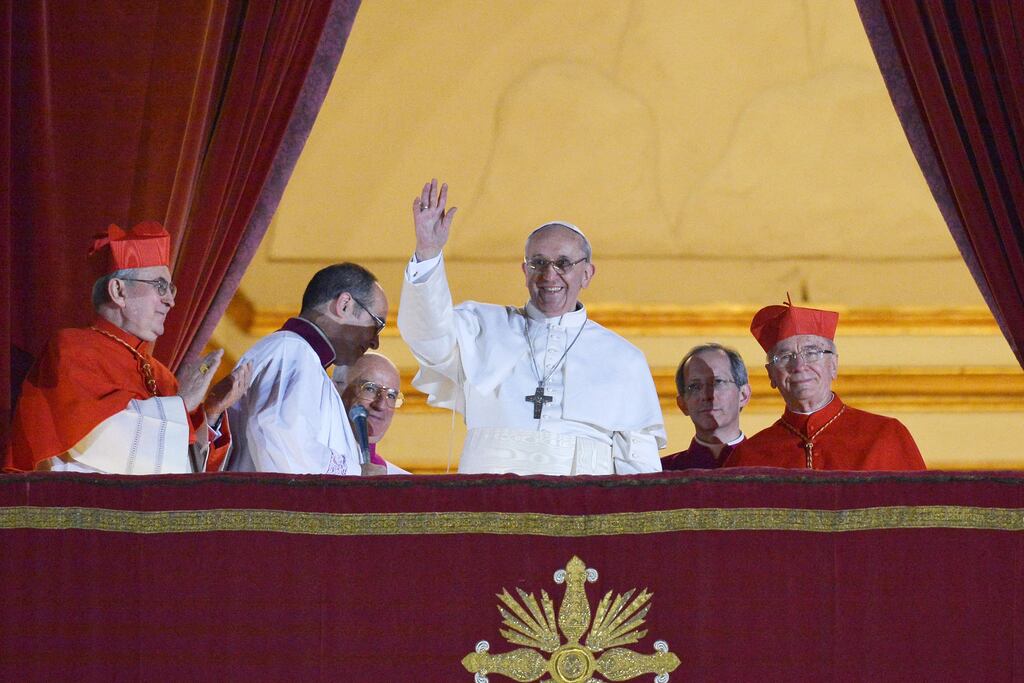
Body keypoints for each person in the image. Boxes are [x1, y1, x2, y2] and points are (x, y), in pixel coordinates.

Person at [397, 179, 666, 475]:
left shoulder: (624, 358)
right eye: (538, 263)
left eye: (563, 263)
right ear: (525, 271)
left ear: (587, 274)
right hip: (489, 504)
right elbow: (428, 337)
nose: (549, 275)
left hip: (583, 511)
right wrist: (427, 253)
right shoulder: (481, 328)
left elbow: (639, 465)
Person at [4, 221, 250, 474]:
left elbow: (183, 473)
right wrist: (182, 403)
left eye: (171, 288)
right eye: (160, 286)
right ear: (119, 291)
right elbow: (96, 442)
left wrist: (209, 412)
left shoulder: (162, 375)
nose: (171, 300)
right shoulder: (72, 350)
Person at [724, 297, 926, 470]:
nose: (799, 365)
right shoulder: (747, 458)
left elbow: (923, 512)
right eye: (785, 356)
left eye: (812, 353)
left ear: (834, 365)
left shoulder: (886, 436)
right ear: (772, 375)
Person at [227, 262, 389, 475]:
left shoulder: (306, 359)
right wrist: (356, 473)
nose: (375, 342)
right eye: (377, 325)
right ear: (345, 305)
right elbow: (280, 439)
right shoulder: (290, 350)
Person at [662, 344, 750, 470]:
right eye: (695, 386)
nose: (707, 395)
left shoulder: (773, 468)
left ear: (743, 395)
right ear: (682, 404)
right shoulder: (661, 474)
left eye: (718, 382)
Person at [338, 352, 409, 474]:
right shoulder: (311, 457)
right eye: (370, 389)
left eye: (391, 395)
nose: (381, 405)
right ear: (337, 389)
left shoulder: (400, 480)